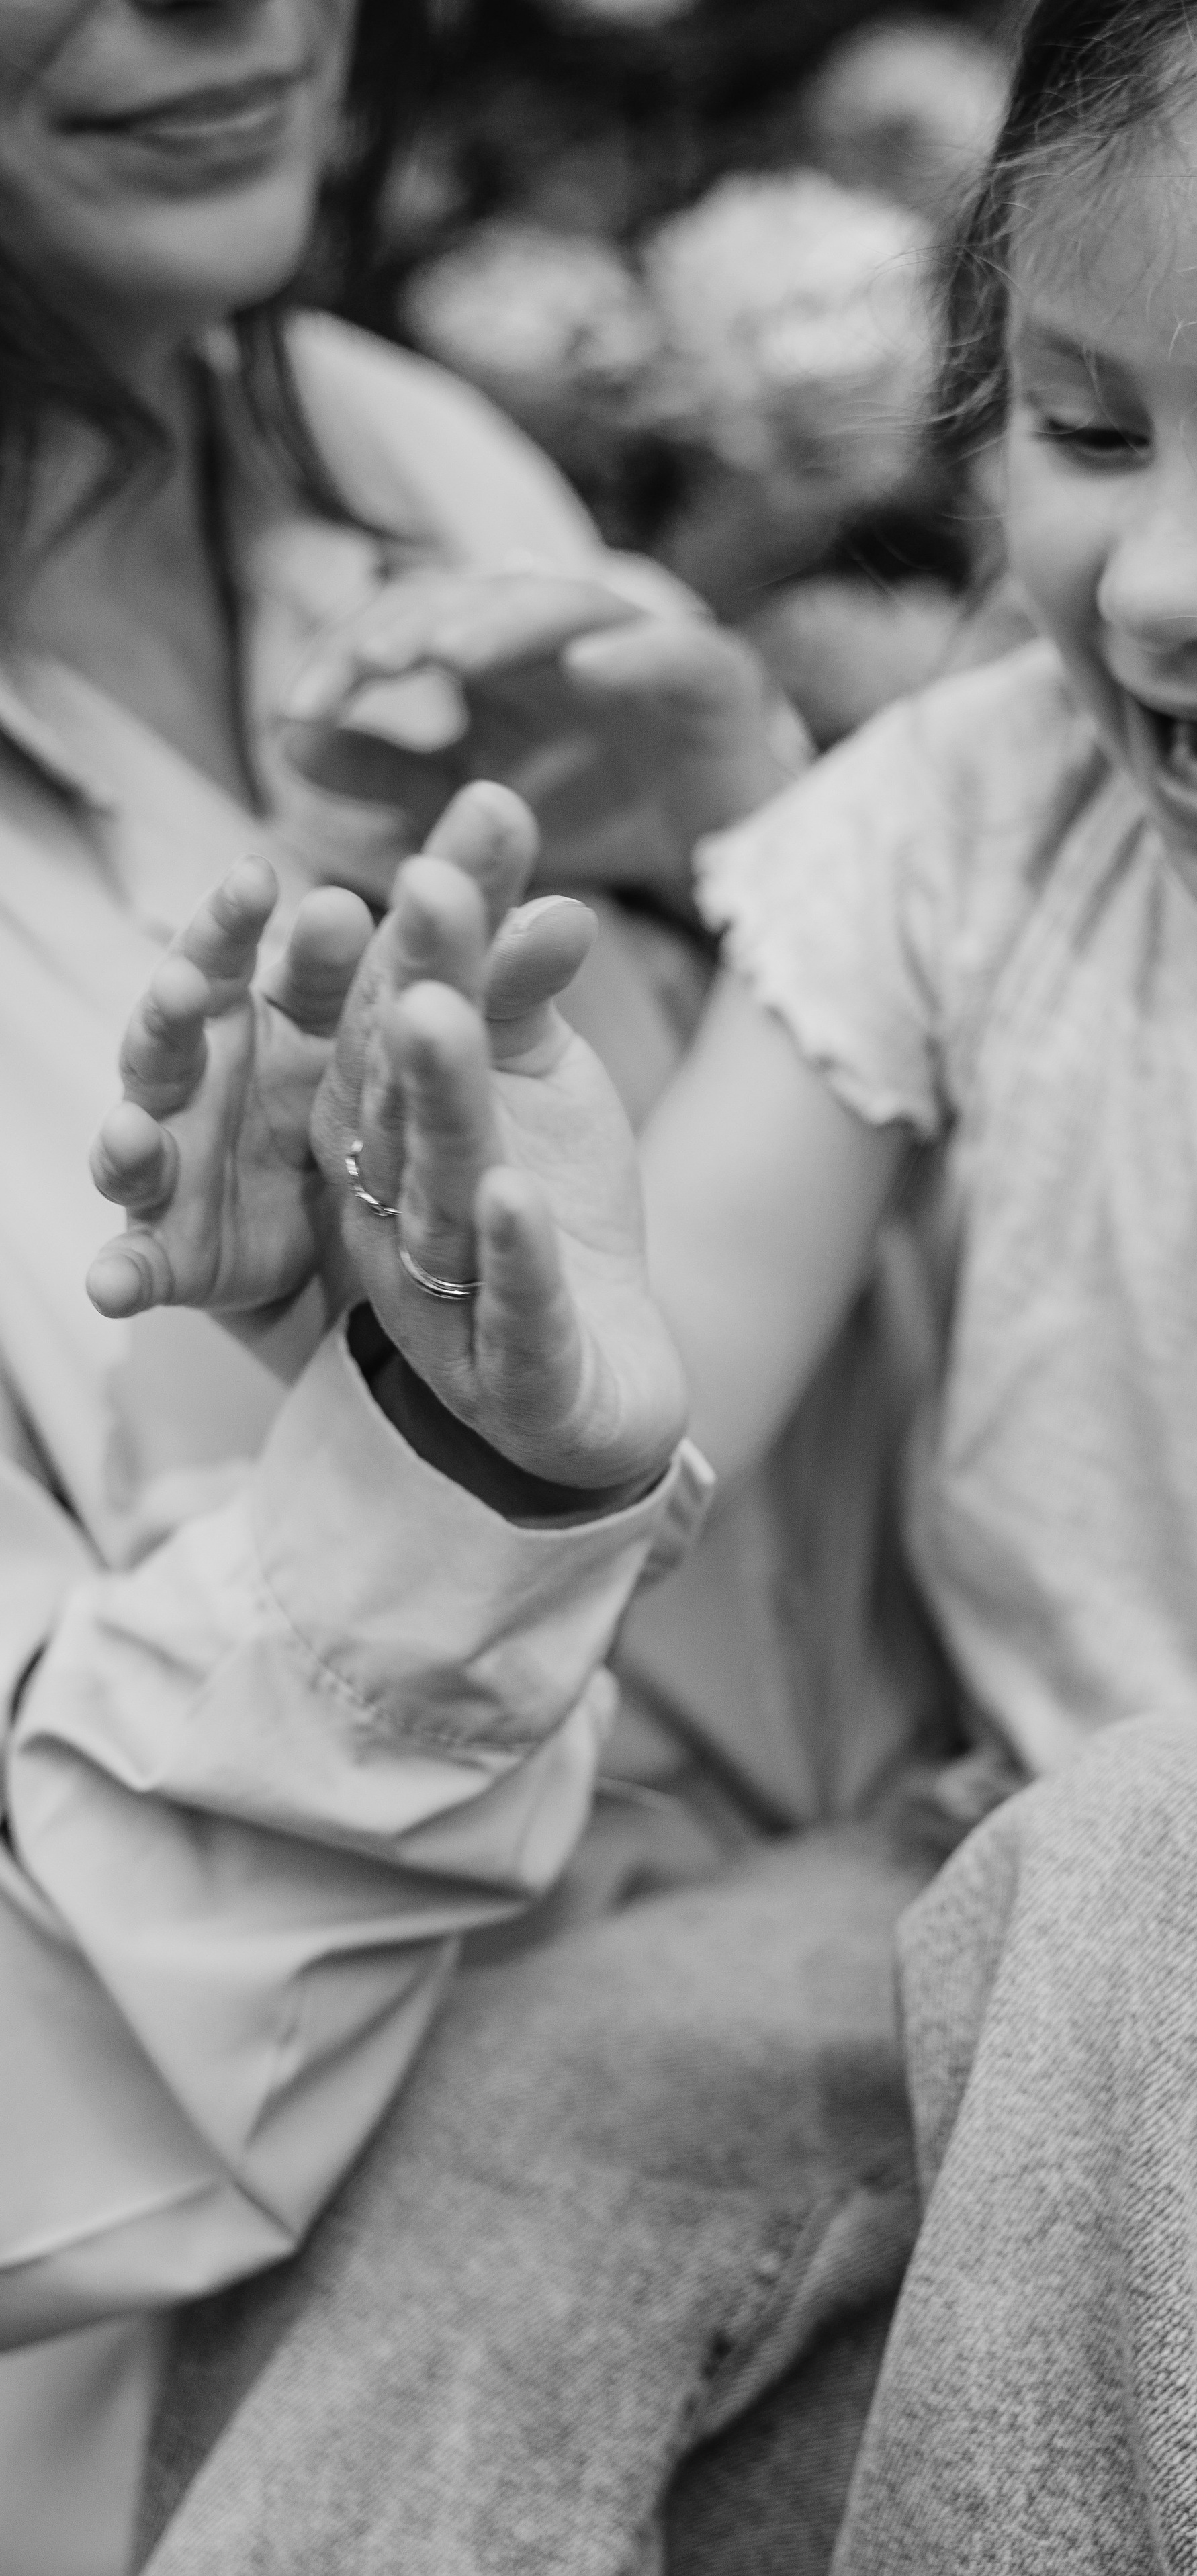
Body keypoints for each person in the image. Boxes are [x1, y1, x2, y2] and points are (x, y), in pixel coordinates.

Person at [112, 1, 1197, 2570]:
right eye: (1083, 426)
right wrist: (465, 1326)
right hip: (989, 1842)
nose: (1162, 580)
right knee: (540, 2100)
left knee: (1175, 1857)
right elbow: (669, 1361)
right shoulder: (983, 815)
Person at [0, 3, 895, 2567]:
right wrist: (432, 1480)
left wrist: (759, 882)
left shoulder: (408, 466)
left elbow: (907, 1521)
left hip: (832, 2196)